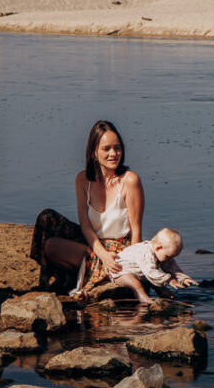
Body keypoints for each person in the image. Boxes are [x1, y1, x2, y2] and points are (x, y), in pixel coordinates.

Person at [30, 120, 145, 297]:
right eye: (106, 149)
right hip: (93, 245)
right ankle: (56, 279)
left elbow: (136, 231)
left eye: (117, 148)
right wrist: (102, 254)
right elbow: (85, 224)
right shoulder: (83, 180)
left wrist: (134, 264)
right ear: (93, 152)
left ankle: (85, 274)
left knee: (53, 247)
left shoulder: (130, 180)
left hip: (119, 249)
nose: (113, 154)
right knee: (47, 219)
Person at [110, 227, 197, 303]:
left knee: (160, 286)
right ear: (158, 248)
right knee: (137, 285)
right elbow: (151, 272)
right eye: (168, 257)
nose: (169, 260)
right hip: (120, 272)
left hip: (140, 273)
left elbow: (172, 268)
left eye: (172, 258)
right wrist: (169, 280)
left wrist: (183, 278)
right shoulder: (145, 253)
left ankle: (168, 297)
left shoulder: (162, 253)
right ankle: (144, 300)